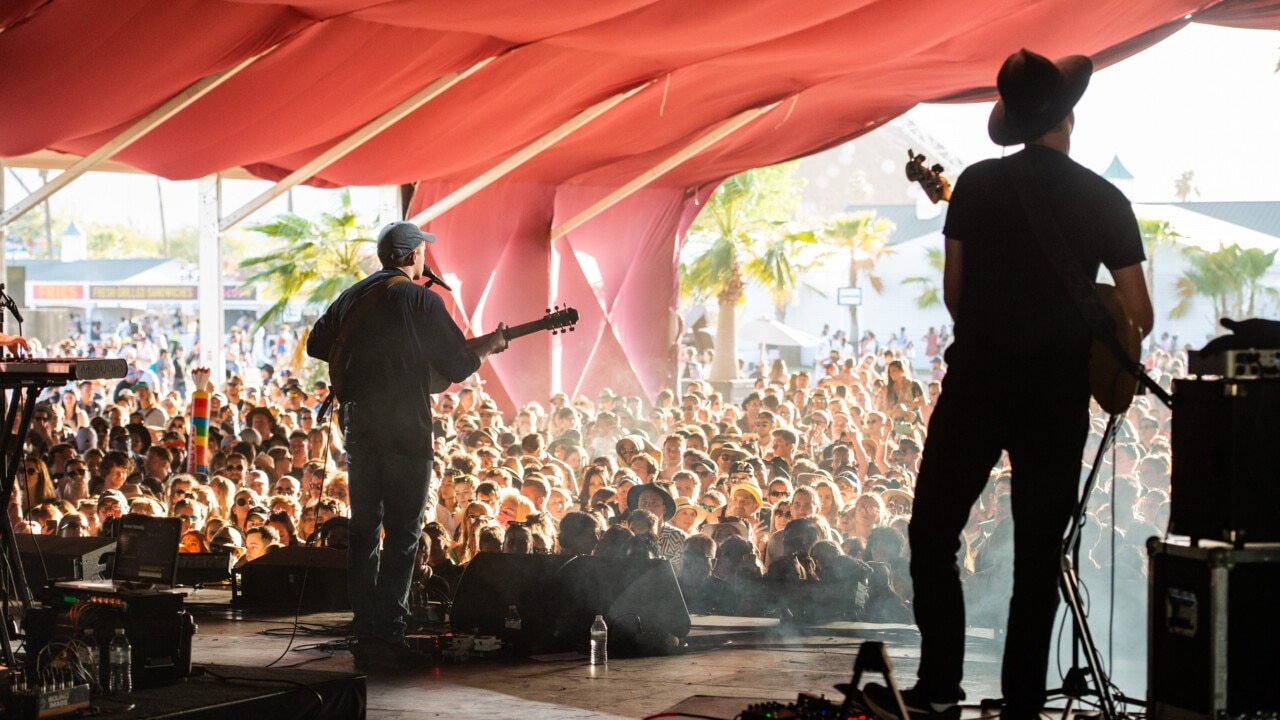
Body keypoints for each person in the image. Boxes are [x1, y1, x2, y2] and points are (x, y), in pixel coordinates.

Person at [862, 50, 1153, 720]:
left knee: (933, 534)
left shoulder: (980, 187)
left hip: (977, 386)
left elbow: (956, 298)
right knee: (1037, 556)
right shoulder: (1106, 199)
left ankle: (938, 689)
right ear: (1069, 119)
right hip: (1054, 398)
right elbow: (1139, 314)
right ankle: (1022, 701)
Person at [307, 221, 508, 670]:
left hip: (359, 428)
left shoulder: (351, 296)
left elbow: (317, 344)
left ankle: (364, 628)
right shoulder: (421, 299)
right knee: (402, 535)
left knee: (363, 532)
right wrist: (491, 344)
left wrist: (368, 356)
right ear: (412, 255)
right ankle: (390, 632)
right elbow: (456, 364)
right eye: (421, 251)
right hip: (406, 431)